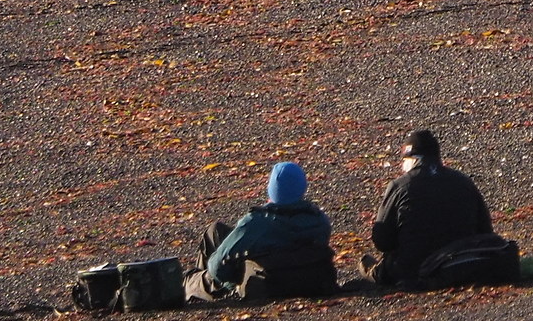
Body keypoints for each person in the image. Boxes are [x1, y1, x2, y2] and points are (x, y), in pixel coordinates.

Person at [368, 129, 495, 287]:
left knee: (368, 265)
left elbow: (382, 240)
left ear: (411, 159)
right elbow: (485, 230)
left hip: (412, 272)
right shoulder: (463, 182)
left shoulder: (400, 185)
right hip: (462, 265)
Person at [194, 161, 336, 301]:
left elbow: (216, 268)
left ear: (271, 189)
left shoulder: (257, 223)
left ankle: (192, 287)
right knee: (216, 231)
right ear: (303, 187)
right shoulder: (319, 220)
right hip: (305, 277)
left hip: (266, 281)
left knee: (198, 273)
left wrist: (230, 281)